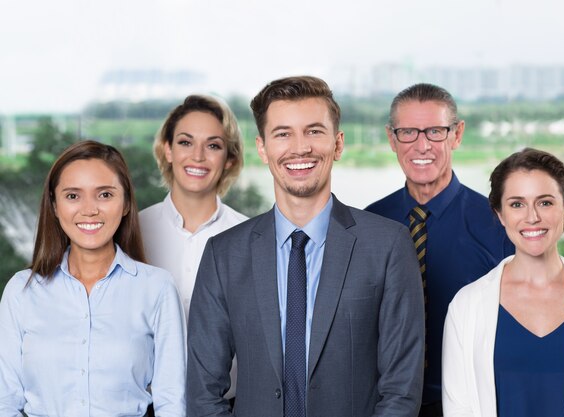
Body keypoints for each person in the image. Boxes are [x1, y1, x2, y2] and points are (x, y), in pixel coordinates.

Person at [186, 76, 425, 417]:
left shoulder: (387, 246)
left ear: (338, 144)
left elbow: (400, 391)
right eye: (283, 133)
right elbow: (203, 392)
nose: (300, 147)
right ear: (263, 148)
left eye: (314, 131)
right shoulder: (224, 255)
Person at [0, 140, 186, 416]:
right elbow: (5, 401)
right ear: (54, 205)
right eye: (73, 196)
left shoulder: (157, 288)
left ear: (125, 204)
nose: (89, 210)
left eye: (105, 195)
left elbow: (172, 403)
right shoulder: (21, 290)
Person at [365, 83, 514, 416]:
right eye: (408, 132)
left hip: (472, 404)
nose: (422, 145)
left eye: (434, 131)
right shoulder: (368, 223)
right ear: (392, 138)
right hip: (382, 404)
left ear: (457, 135)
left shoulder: (499, 225)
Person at [442, 148, 564, 417]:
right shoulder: (466, 305)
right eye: (517, 204)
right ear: (500, 214)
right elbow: (460, 409)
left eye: (545, 202)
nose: (532, 217)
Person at [140, 94, 247, 319]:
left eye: (213, 145)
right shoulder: (134, 230)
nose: (198, 156)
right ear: (168, 150)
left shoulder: (249, 239)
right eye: (185, 142)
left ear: (229, 159)